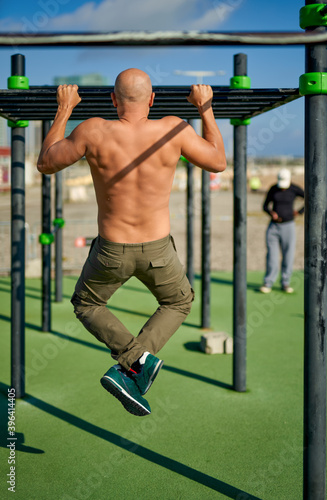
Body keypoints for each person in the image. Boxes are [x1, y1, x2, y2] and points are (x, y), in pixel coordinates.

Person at [37, 69, 226, 416]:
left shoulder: (93, 130)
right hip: (158, 250)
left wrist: (64, 108)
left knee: (86, 304)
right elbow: (218, 161)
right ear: (152, 100)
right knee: (178, 302)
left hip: (111, 249)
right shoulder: (173, 128)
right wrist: (205, 108)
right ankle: (136, 364)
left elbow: (45, 163)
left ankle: (135, 360)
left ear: (113, 100)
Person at [260, 168, 304, 294]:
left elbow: (308, 198)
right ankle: (268, 282)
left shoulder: (294, 189)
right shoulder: (273, 189)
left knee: (288, 255)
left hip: (288, 226)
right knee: (272, 257)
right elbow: (264, 206)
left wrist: (299, 212)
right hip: (273, 227)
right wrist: (271, 213)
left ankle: (285, 282)